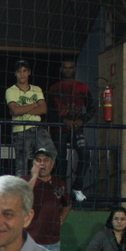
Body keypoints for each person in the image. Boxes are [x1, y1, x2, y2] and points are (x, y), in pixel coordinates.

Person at [47, 59, 96, 202]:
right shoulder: (54, 88)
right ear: (61, 69)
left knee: (85, 154)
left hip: (76, 129)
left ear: (74, 69)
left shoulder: (82, 87)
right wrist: (63, 121)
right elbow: (49, 111)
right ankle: (61, 191)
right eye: (65, 67)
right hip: (58, 130)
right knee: (61, 160)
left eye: (70, 68)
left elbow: (92, 108)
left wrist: (82, 120)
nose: (68, 70)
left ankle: (77, 188)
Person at [6, 59, 56, 176]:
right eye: (19, 71)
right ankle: (22, 187)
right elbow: (15, 110)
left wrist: (21, 109)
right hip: (20, 130)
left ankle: (41, 180)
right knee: (21, 165)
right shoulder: (11, 90)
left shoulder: (36, 89)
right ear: (15, 73)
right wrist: (34, 105)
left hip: (38, 128)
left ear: (29, 72)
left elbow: (43, 109)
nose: (22, 74)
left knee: (51, 152)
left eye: (24, 71)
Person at [22, 148, 71, 251]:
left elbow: (67, 204)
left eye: (46, 160)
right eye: (38, 160)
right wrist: (34, 177)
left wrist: (62, 217)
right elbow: (22, 198)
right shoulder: (24, 181)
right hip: (27, 241)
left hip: (52, 242)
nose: (42, 163)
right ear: (33, 163)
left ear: (52, 164)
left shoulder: (59, 183)